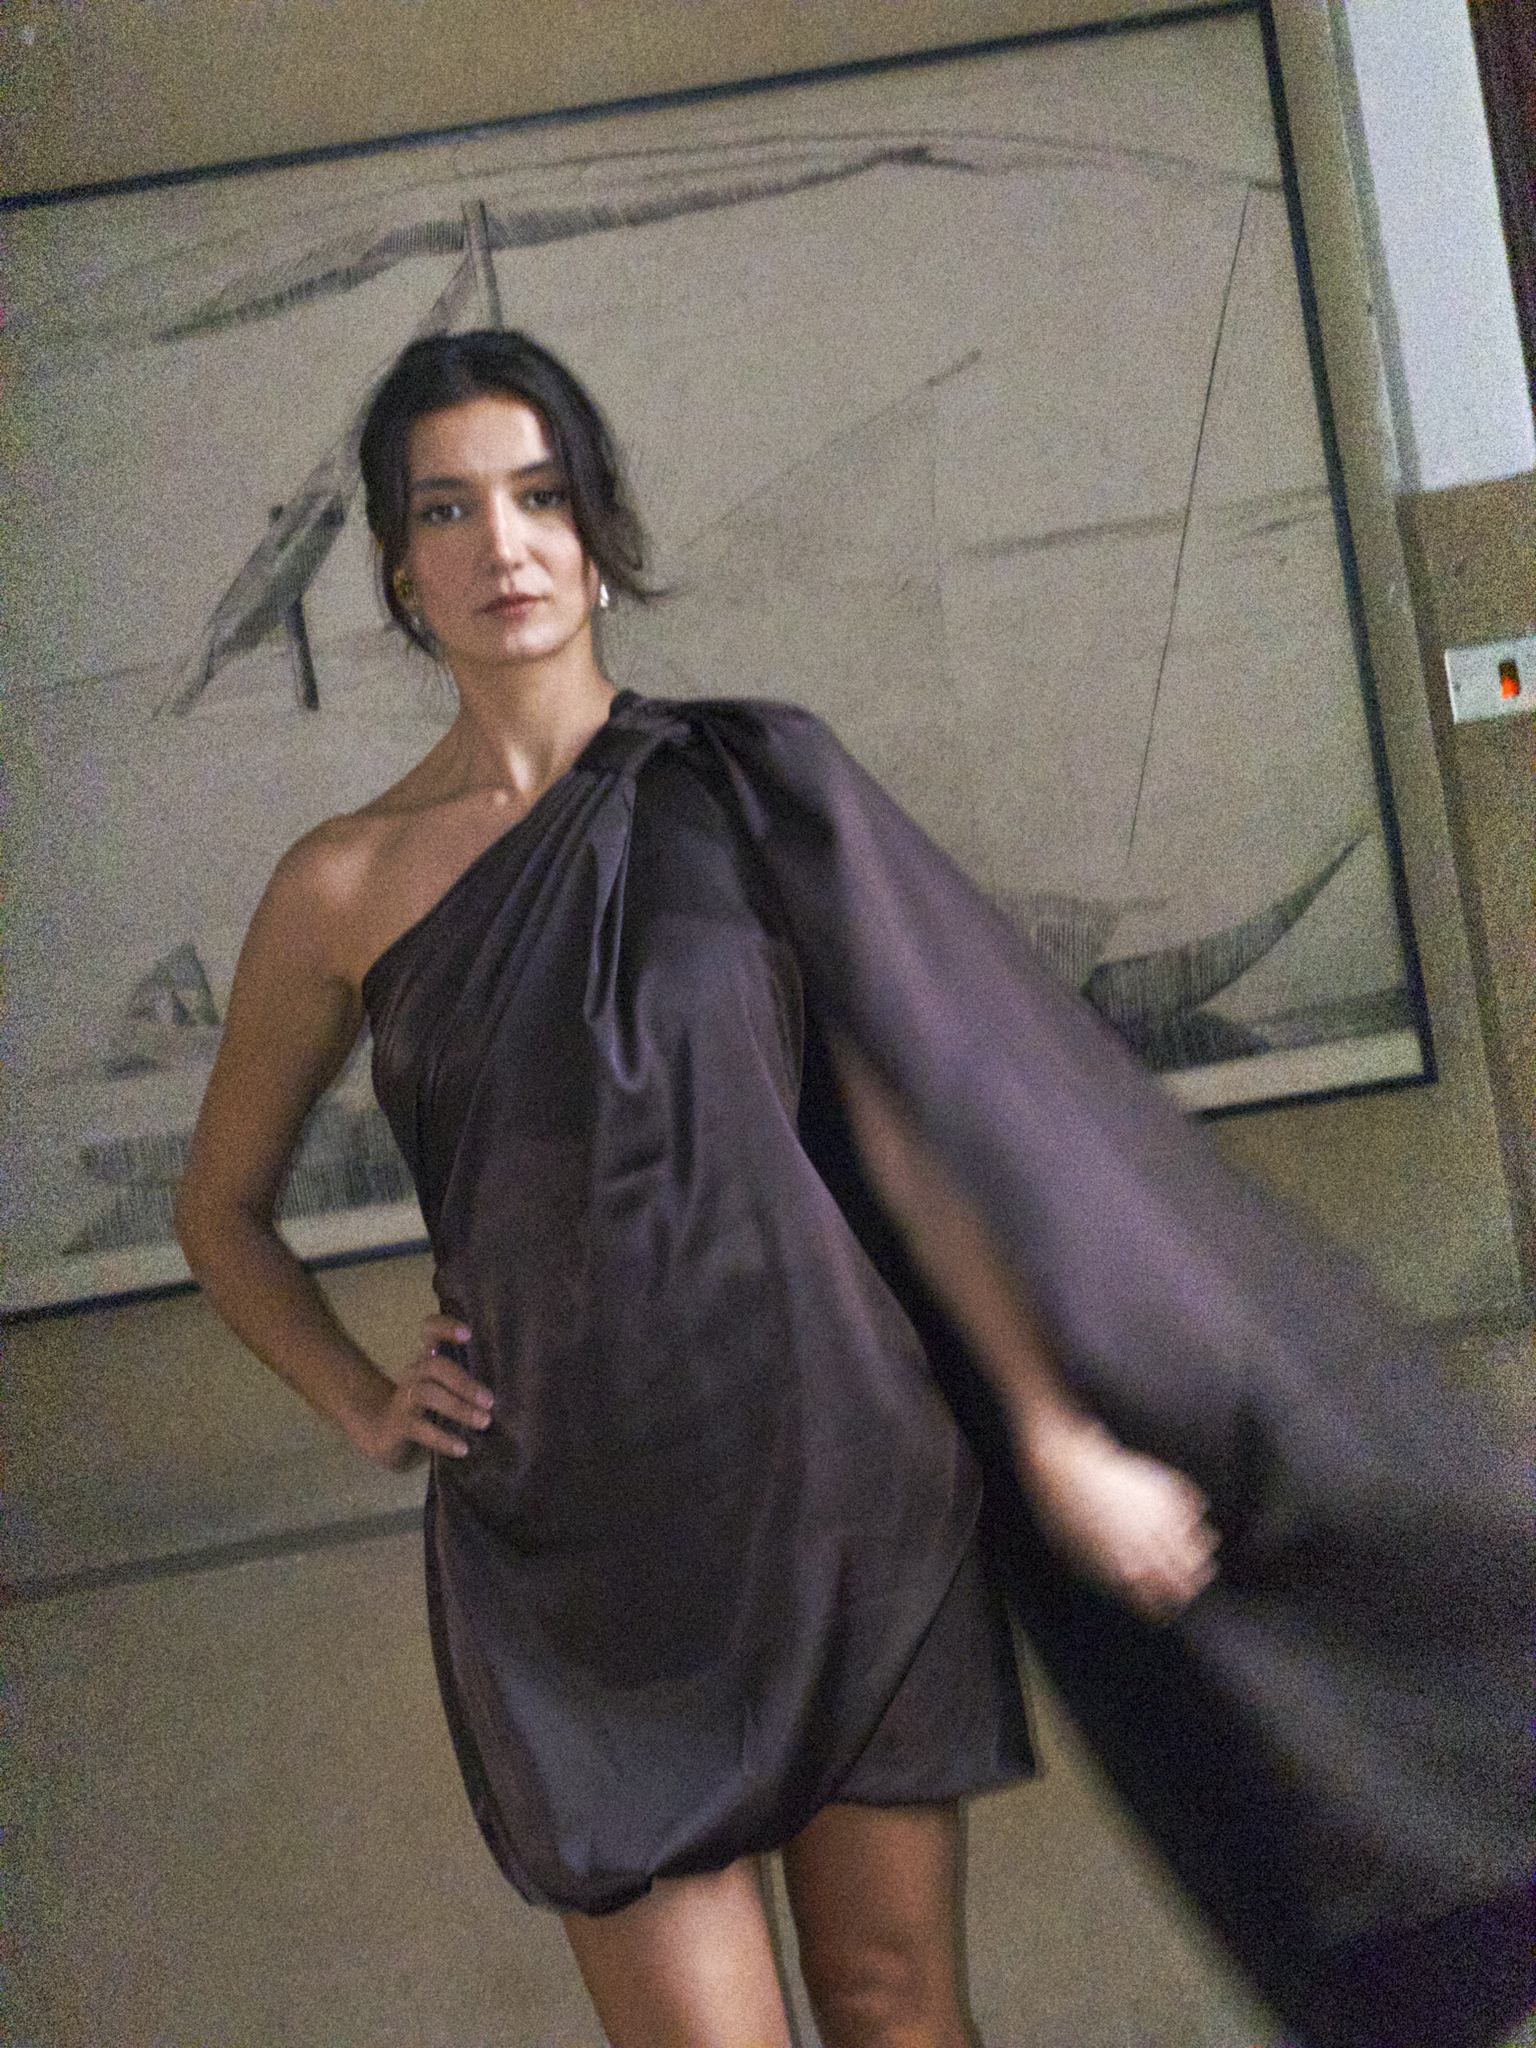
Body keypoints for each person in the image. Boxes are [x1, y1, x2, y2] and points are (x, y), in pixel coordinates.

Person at [175, 328, 1221, 2048]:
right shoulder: (338, 887)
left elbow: (908, 1149)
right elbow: (218, 1212)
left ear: (598, 530)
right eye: (448, 509)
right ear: (398, 569)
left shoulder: (747, 786)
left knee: (895, 2006)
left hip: (841, 1479)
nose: (503, 545)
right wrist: (363, 1401)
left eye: (540, 496)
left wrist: (1053, 1435)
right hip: (570, 1548)